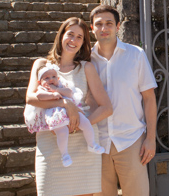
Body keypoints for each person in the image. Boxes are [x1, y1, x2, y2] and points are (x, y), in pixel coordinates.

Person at [26, 17, 112, 196]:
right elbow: (31, 98)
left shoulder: (86, 67)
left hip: (83, 144)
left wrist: (79, 123)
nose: (73, 40)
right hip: (49, 142)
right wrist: (64, 103)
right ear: (61, 35)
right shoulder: (42, 65)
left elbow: (106, 107)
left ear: (84, 42)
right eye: (70, 34)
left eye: (79, 37)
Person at [89, 5, 158, 196]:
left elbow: (149, 98)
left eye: (109, 23)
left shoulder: (136, 55)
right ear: (92, 28)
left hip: (131, 140)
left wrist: (150, 139)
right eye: (99, 24)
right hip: (97, 143)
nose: (104, 28)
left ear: (118, 26)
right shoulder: (86, 60)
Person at [23, 62, 105, 167]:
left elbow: (69, 93)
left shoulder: (61, 85)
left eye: (53, 76)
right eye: (46, 78)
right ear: (39, 82)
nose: (51, 80)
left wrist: (57, 90)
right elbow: (39, 96)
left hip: (73, 111)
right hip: (56, 114)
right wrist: (52, 95)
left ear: (58, 78)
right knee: (62, 132)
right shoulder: (42, 89)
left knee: (86, 123)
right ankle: (65, 154)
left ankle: (92, 144)